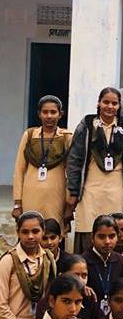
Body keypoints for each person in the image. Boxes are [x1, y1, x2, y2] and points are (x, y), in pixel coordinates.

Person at [66, 87, 123, 254]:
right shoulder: (87, 124)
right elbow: (74, 159)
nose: (110, 106)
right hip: (90, 187)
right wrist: (73, 190)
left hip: (116, 187)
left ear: (119, 106)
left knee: (113, 228)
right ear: (98, 103)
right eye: (106, 102)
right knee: (88, 227)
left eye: (114, 103)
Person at [12, 95, 72, 231]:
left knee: (54, 233)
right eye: (45, 112)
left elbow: (71, 173)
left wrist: (69, 204)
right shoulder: (29, 135)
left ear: (60, 114)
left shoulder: (66, 137)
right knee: (31, 232)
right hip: (30, 196)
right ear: (39, 114)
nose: (49, 116)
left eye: (53, 112)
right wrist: (17, 203)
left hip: (56, 197)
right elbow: (19, 170)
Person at [0, 211, 56, 319]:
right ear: (18, 233)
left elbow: (51, 297)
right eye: (25, 232)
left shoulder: (48, 259)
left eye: (35, 231)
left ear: (43, 231)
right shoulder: (8, 261)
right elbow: (1, 306)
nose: (30, 236)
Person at [35, 254, 102, 319]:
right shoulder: (46, 303)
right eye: (75, 275)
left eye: (84, 276)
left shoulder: (89, 298)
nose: (80, 280)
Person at [82, 216, 123, 315]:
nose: (107, 242)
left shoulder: (120, 261)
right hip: (89, 315)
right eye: (101, 237)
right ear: (92, 237)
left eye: (112, 236)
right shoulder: (83, 261)